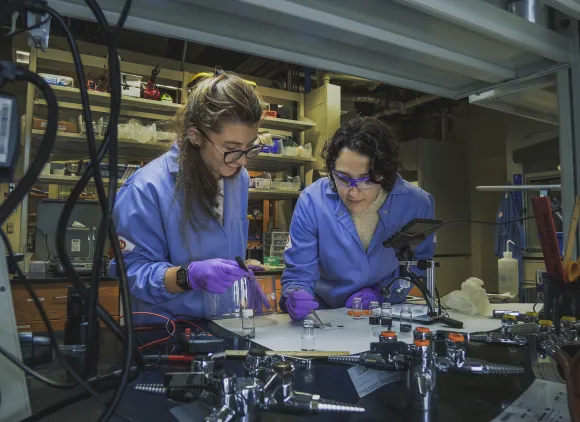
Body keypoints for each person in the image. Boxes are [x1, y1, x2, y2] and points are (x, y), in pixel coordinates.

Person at [110, 72, 268, 325]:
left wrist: (244, 282)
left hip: (225, 325)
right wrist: (188, 276)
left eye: (250, 146)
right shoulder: (145, 188)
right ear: (195, 136)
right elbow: (131, 274)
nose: (243, 160)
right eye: (231, 149)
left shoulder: (239, 178)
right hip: (166, 332)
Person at [280, 117, 436, 320]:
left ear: (385, 174)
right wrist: (294, 294)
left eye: (366, 181)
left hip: (384, 312)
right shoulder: (312, 201)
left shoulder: (417, 204)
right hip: (326, 315)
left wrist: (382, 293)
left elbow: (419, 264)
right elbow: (299, 272)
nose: (353, 193)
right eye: (343, 179)